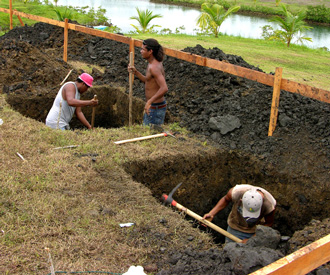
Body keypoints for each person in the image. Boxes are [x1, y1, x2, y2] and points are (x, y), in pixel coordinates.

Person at [203, 184, 276, 243]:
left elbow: (268, 224)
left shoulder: (269, 204)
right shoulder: (237, 192)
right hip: (234, 227)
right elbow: (226, 199)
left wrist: (252, 240)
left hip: (253, 231)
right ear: (241, 200)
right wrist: (212, 213)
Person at [128, 38, 168, 126]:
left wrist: (149, 102)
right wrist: (135, 72)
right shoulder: (151, 64)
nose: (141, 51)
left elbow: (164, 88)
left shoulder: (154, 67)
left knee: (150, 133)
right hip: (153, 107)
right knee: (147, 132)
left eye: (143, 49)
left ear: (150, 51)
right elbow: (148, 81)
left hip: (155, 108)